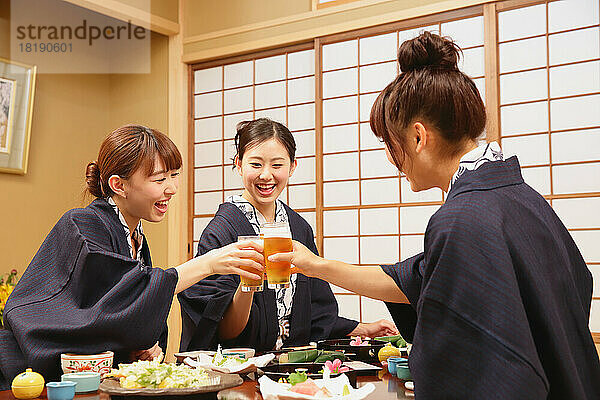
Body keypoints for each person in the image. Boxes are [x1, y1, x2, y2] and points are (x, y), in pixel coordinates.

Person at [268, 32, 600, 399]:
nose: (393, 160)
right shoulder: (520, 199)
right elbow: (415, 281)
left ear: (417, 137)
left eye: (390, 144)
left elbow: (475, 363)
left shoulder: (462, 218)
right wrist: (313, 265)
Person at [0, 125, 264, 389]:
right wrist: (208, 263)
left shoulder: (135, 236)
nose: (171, 188)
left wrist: (140, 348)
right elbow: (114, 302)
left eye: (174, 175)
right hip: (24, 376)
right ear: (119, 185)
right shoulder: (82, 224)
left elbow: (116, 314)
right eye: (160, 180)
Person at [178, 118, 397, 352]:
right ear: (239, 164)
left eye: (277, 165)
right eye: (255, 164)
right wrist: (249, 284)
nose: (266, 175)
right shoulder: (221, 231)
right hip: (243, 369)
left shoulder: (297, 227)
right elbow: (220, 327)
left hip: (291, 363)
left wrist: (362, 328)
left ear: (292, 166)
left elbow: (315, 308)